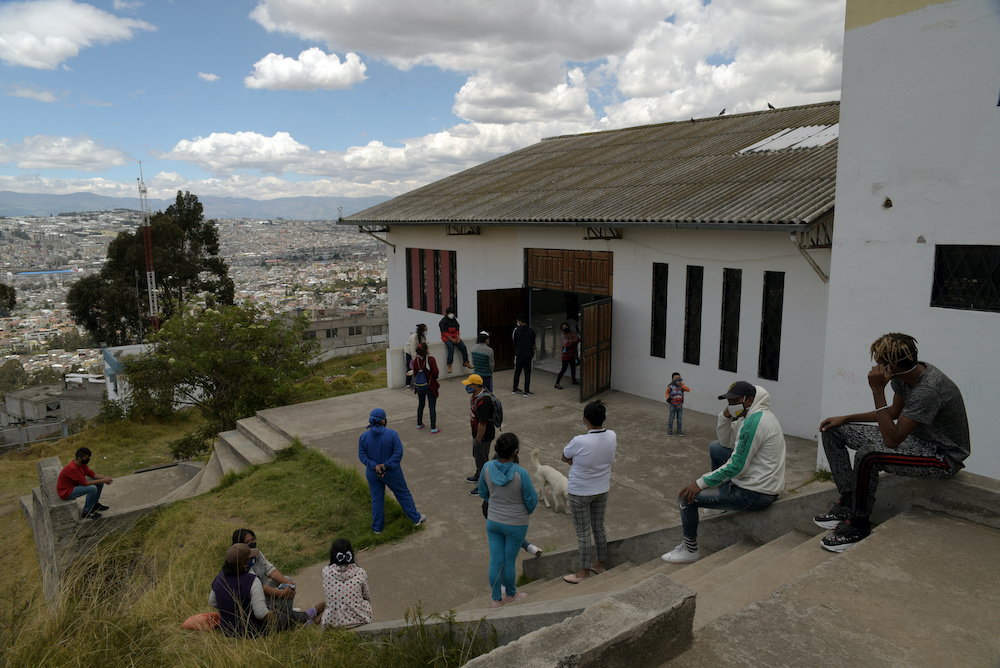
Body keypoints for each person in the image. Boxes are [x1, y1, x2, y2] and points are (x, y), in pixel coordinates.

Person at [814, 333, 970, 552]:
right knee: (833, 431)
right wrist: (847, 418)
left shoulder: (928, 389)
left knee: (869, 456)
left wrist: (877, 390)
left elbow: (892, 439)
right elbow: (894, 413)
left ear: (892, 365)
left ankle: (858, 525)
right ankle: (849, 502)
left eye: (879, 362)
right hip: (913, 440)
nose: (875, 367)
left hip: (941, 457)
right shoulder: (904, 377)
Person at [661, 381, 786, 564]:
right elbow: (725, 442)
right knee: (716, 448)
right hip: (762, 481)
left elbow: (736, 466)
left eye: (735, 401)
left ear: (749, 400)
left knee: (686, 498)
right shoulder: (754, 416)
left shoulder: (753, 423)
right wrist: (725, 416)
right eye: (729, 401)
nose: (731, 405)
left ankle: (690, 548)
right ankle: (716, 506)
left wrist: (700, 483)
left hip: (755, 492)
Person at [479, 433, 538, 607]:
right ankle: (511, 595)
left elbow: (482, 492)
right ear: (516, 452)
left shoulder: (487, 467)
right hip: (516, 524)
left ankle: (496, 599)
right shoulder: (521, 474)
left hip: (494, 521)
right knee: (509, 561)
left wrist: (495, 503)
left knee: (496, 560)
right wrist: (523, 511)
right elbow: (531, 501)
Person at [561, 400, 617, 584]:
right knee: (599, 527)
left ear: (585, 420)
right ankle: (600, 563)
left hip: (580, 492)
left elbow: (565, 456)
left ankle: (583, 573)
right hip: (602, 489)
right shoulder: (612, 435)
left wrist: (575, 460)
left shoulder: (579, 440)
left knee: (583, 532)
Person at [231, 528, 322, 626]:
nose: (251, 543)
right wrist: (283, 594)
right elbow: (258, 588)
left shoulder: (255, 553)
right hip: (257, 598)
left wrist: (287, 582)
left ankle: (297, 616)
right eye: (247, 542)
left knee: (287, 582)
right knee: (274, 612)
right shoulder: (242, 563)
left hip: (263, 592)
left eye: (252, 540)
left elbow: (269, 569)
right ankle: (305, 618)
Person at [358, 408, 427, 533]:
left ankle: (377, 528)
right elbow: (398, 453)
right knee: (403, 493)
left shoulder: (364, 436)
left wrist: (375, 466)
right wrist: (385, 465)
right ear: (383, 421)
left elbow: (362, 456)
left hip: (373, 473)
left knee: (377, 499)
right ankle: (415, 519)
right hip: (391, 472)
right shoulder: (392, 434)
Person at [210, 542, 271, 637]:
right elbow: (261, 614)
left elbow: (212, 602)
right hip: (253, 631)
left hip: (227, 630)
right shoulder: (253, 581)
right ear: (244, 563)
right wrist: (274, 615)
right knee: (287, 613)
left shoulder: (220, 577)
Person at [321, 538, 373, 628]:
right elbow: (366, 596)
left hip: (333, 622)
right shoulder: (360, 572)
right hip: (359, 619)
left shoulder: (326, 571)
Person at [56, 447, 113, 520]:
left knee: (99, 483)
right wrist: (103, 480)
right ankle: (87, 512)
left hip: (74, 486)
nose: (88, 460)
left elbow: (92, 474)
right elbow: (85, 483)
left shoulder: (82, 465)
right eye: (87, 458)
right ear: (79, 458)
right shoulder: (72, 468)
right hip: (66, 492)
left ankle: (94, 505)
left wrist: (105, 478)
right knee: (92, 488)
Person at [463, 374, 496, 496]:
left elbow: (483, 423)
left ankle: (484, 486)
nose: (467, 386)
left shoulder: (484, 401)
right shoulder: (475, 396)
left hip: (483, 436)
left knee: (482, 460)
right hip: (477, 433)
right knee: (477, 457)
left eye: (469, 384)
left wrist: (478, 439)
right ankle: (478, 475)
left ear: (475, 385)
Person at [410, 343, 440, 433]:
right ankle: (433, 427)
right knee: (432, 406)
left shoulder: (416, 360)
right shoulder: (430, 360)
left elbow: (415, 372)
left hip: (420, 386)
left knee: (421, 404)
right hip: (430, 386)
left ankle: (419, 423)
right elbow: (435, 372)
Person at [439, 308, 473, 373]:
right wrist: (452, 340)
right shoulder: (443, 322)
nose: (451, 314)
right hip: (447, 338)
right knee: (451, 348)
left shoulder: (454, 320)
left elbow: (457, 329)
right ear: (447, 314)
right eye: (450, 313)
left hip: (455, 337)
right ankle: (449, 365)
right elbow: (444, 333)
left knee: (463, 347)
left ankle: (466, 362)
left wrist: (458, 338)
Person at [511, 313, 536, 397]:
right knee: (527, 373)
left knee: (517, 372)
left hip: (519, 354)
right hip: (528, 355)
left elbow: (514, 341)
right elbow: (533, 342)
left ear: (520, 321)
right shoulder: (531, 331)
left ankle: (515, 388)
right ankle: (527, 391)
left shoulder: (516, 331)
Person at [554, 322, 580, 390]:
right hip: (566, 355)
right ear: (562, 329)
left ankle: (574, 380)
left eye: (566, 327)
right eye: (564, 328)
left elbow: (578, 339)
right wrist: (573, 341)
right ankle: (557, 383)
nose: (566, 328)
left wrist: (572, 341)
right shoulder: (563, 336)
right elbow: (566, 344)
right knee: (563, 370)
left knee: (573, 368)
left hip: (573, 354)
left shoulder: (573, 333)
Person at [403, 323, 427, 390]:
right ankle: (407, 384)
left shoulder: (423, 337)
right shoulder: (414, 337)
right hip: (409, 353)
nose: (426, 331)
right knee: (410, 369)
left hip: (418, 354)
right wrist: (415, 360)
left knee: (421, 369)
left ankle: (419, 383)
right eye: (425, 329)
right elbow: (412, 349)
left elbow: (424, 347)